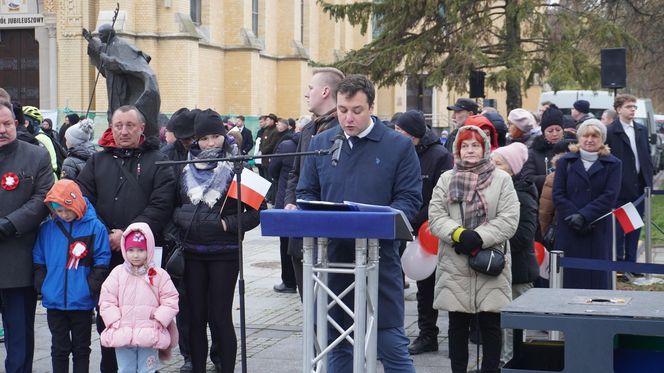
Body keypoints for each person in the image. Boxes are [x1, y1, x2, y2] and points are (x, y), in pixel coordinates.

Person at [297, 74, 422, 372]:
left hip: (378, 260)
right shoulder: (321, 143)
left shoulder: (397, 146)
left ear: (371, 107)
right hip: (331, 262)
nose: (348, 118)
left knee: (391, 344)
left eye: (356, 110)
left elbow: (409, 200)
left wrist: (377, 222)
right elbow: (306, 192)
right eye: (342, 110)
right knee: (337, 344)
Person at [77, 105, 175, 372]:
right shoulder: (97, 161)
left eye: (129, 125)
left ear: (141, 128)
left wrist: (129, 235)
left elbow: (161, 204)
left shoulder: (159, 160)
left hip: (142, 255)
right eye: (118, 125)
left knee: (145, 318)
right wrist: (105, 234)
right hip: (105, 252)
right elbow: (85, 201)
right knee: (109, 315)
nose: (123, 131)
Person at [172, 109, 263, 373]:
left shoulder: (238, 168)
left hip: (225, 252)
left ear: (224, 136)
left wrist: (228, 224)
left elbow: (258, 212)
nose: (211, 143)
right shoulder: (182, 169)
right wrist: (182, 218)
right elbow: (172, 207)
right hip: (192, 253)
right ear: (196, 141)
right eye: (204, 138)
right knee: (196, 317)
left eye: (216, 136)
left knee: (220, 317)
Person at [429, 125, 519, 373]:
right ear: (457, 149)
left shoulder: (502, 180)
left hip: (490, 260)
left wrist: (478, 237)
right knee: (457, 325)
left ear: (485, 148)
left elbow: (509, 219)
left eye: (475, 145)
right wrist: (459, 234)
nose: (470, 150)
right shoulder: (446, 179)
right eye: (464, 145)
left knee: (491, 325)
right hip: (455, 262)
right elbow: (436, 216)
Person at [33, 179, 111, 373]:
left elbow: (102, 260)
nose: (64, 215)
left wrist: (89, 287)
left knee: (81, 349)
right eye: (58, 211)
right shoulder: (47, 229)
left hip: (81, 301)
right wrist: (43, 285)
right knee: (59, 348)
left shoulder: (95, 228)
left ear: (76, 204)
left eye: (67, 210)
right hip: (54, 300)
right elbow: (39, 258)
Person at [0, 100, 54, 373]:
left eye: (7, 123)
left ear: (17, 123)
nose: (2, 129)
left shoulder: (36, 156)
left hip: (18, 259)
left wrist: (8, 224)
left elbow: (44, 197)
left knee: (19, 335)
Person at [394, 110, 454, 355]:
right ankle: (426, 334)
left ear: (414, 135)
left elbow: (441, 197)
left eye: (401, 133)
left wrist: (415, 218)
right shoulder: (399, 152)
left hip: (431, 228)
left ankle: (453, 333)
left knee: (438, 284)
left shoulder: (439, 156)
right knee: (422, 286)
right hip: (404, 224)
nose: (397, 136)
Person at [284, 67, 344, 298]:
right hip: (302, 230)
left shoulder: (342, 129)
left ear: (326, 91)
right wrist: (290, 202)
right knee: (308, 301)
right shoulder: (309, 129)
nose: (307, 94)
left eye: (311, 88)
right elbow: (295, 173)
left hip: (330, 231)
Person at [99, 223, 179, 373]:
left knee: (147, 369)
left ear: (148, 249)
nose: (135, 255)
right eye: (131, 250)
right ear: (125, 250)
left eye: (140, 250)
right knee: (125, 369)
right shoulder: (117, 273)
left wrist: (159, 320)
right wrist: (115, 321)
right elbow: (106, 299)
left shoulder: (158, 274)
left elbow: (171, 299)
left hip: (149, 334)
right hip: (123, 333)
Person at [553, 119, 621, 289]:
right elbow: (558, 194)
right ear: (579, 137)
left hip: (597, 227)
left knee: (596, 277)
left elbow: (610, 196)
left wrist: (584, 216)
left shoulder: (613, 163)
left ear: (602, 139)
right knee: (569, 277)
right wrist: (573, 216)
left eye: (595, 136)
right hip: (569, 226)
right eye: (585, 135)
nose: (589, 140)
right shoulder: (565, 162)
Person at [491, 143, 539, 364]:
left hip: (517, 272)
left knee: (510, 330)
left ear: (512, 168)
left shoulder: (522, 196)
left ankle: (507, 366)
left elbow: (523, 237)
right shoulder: (497, 190)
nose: (491, 166)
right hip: (500, 269)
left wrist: (489, 237)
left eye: (498, 163)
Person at [605, 94, 653, 265]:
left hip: (639, 188)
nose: (633, 109)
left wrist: (649, 182)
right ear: (618, 109)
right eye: (628, 106)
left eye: (634, 106)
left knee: (634, 227)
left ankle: (631, 264)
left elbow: (645, 156)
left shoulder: (641, 129)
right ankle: (618, 264)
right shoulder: (611, 131)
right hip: (620, 188)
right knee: (619, 229)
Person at [268, 118, 298, 294]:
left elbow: (272, 170)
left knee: (285, 242)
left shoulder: (285, 146)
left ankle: (288, 281)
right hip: (302, 200)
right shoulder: (311, 143)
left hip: (284, 198)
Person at [522, 106, 565, 194]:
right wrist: (555, 178)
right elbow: (528, 178)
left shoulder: (570, 149)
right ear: (543, 133)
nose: (555, 134)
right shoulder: (533, 153)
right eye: (550, 131)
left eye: (558, 130)